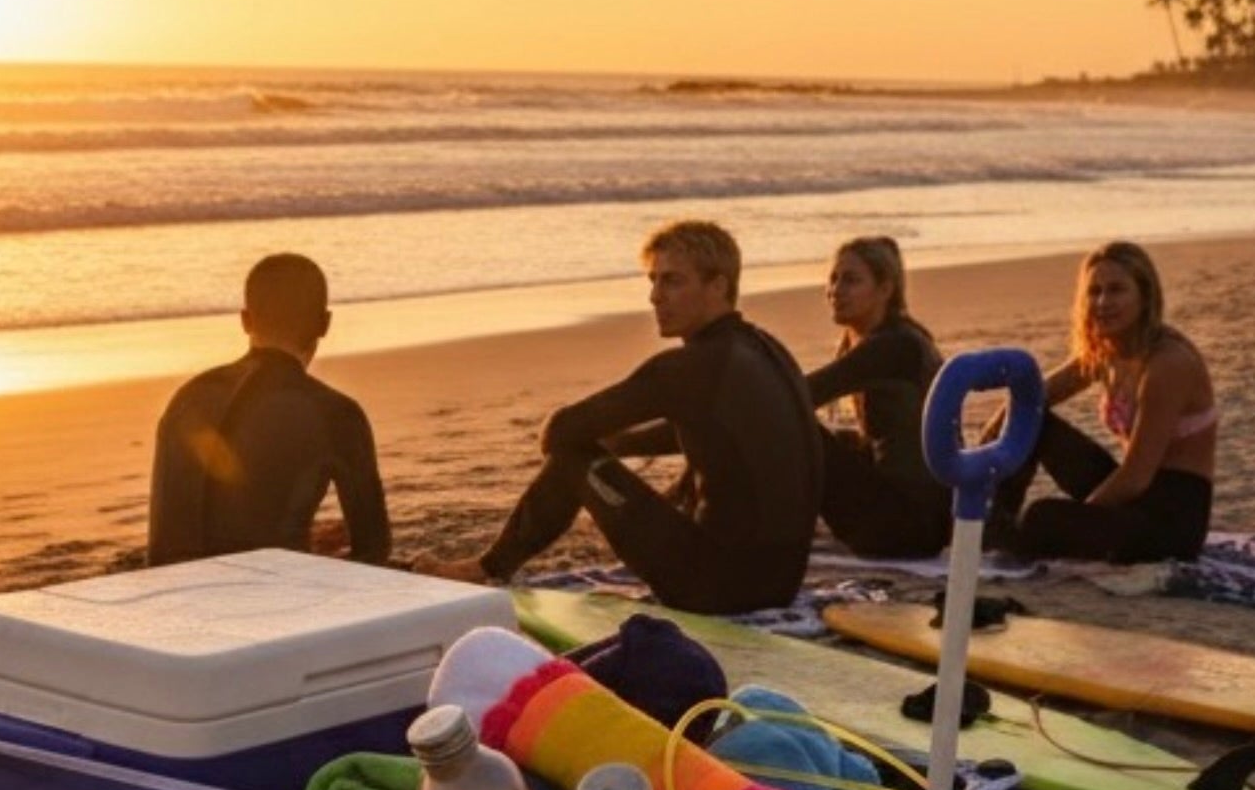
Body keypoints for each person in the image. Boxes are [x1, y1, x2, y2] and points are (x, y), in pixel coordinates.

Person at [420, 220, 821, 612]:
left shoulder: (689, 367)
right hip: (781, 583)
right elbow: (717, 428)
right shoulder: (770, 351)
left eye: (672, 281)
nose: (655, 297)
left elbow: (560, 432)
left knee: (572, 458)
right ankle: (490, 565)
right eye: (653, 280)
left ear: (718, 286)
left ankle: (487, 568)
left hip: (717, 590)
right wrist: (619, 443)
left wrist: (599, 447)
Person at [147, 253, 390, 567]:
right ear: (325, 323)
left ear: (246, 320)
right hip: (266, 605)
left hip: (171, 602)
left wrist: (298, 541)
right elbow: (373, 551)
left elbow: (178, 543)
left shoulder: (188, 398)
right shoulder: (337, 414)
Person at [987, 241, 1218, 562]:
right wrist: (996, 429)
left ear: (1145, 294)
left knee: (1043, 517)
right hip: (1135, 497)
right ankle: (993, 522)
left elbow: (1136, 476)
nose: (1103, 302)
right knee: (1032, 419)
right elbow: (1033, 398)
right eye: (1094, 292)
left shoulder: (1167, 364)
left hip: (1170, 520)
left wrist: (1080, 519)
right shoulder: (1107, 351)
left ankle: (1004, 537)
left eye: (1116, 290)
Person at [808, 236, 950, 559]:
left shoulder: (891, 348)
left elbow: (797, 395)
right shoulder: (903, 336)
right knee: (843, 440)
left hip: (902, 528)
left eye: (851, 280)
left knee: (796, 427)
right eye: (833, 278)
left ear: (885, 289)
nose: (835, 290)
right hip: (924, 522)